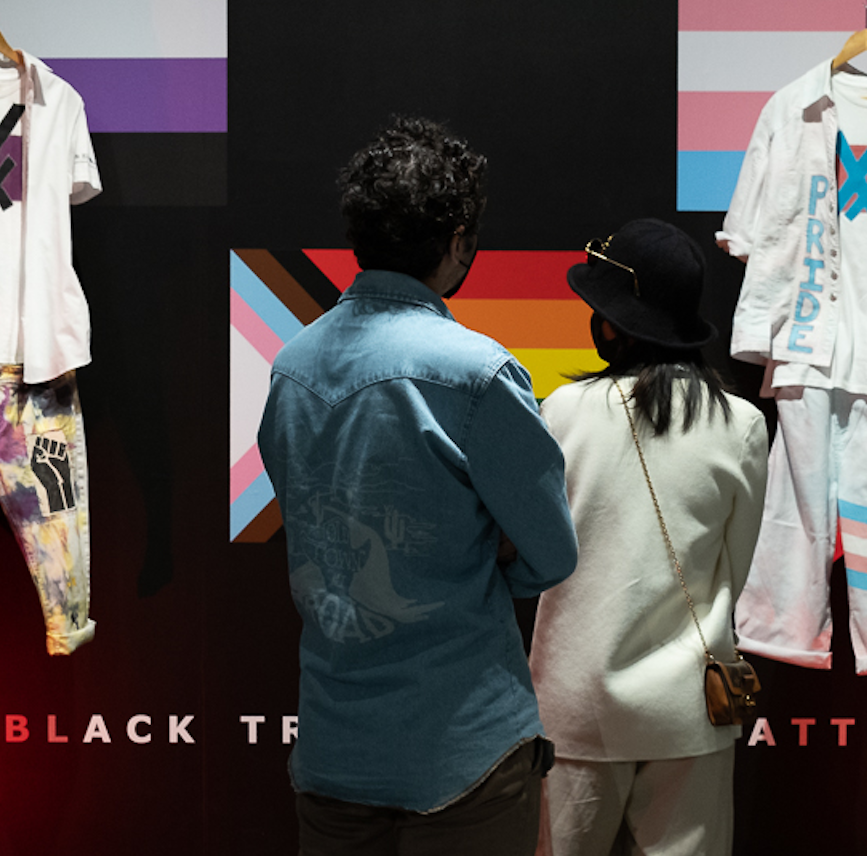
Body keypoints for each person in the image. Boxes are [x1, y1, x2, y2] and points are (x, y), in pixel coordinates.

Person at [256, 116, 579, 855]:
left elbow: (304, 507)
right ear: (459, 239)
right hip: (463, 749)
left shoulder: (292, 365)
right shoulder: (479, 373)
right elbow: (551, 554)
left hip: (334, 747)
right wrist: (481, 548)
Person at [529, 220, 768, 856]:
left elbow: (532, 554)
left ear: (615, 324)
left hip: (574, 705)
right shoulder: (740, 424)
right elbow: (734, 568)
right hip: (691, 706)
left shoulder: (560, 413)